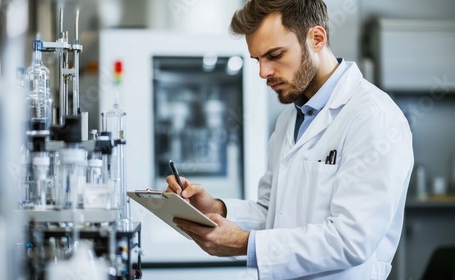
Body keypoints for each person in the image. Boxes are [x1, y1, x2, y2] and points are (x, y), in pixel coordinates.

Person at [166, 0, 414, 279]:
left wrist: (244, 244)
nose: (263, 72)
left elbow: (351, 239)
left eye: (274, 55)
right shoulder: (289, 120)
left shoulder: (373, 117)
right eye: (258, 59)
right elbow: (273, 212)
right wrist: (216, 208)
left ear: (316, 39)